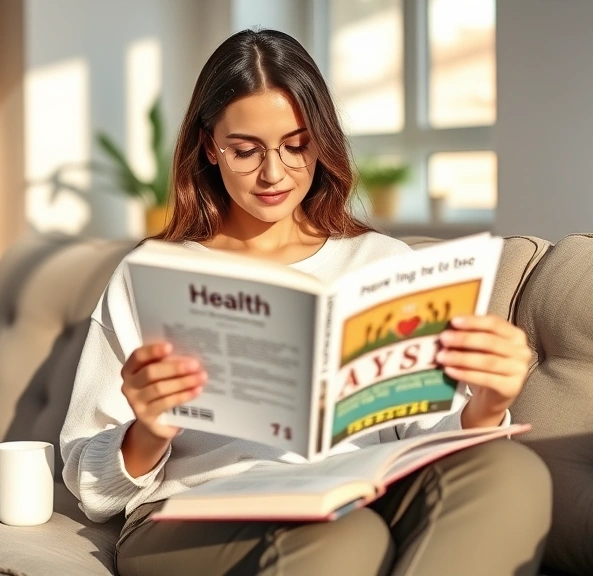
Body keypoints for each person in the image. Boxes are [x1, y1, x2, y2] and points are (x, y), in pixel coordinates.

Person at [60, 28, 552, 576]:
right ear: (208, 146)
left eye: (296, 146)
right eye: (245, 150)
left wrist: (484, 405)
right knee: (343, 541)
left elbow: (428, 440)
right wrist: (149, 430)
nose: (274, 173)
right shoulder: (152, 273)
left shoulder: (382, 262)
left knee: (511, 471)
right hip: (196, 516)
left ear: (322, 141)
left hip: (361, 493)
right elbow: (91, 488)